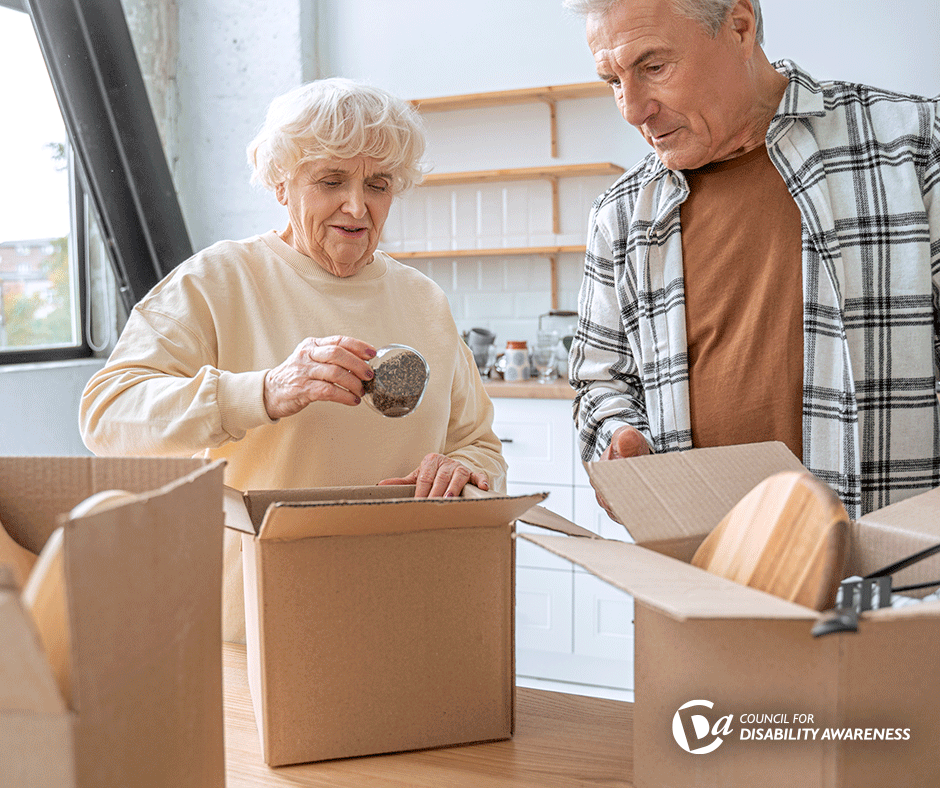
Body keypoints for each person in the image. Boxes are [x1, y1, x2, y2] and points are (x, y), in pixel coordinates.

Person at [80, 78, 507, 641]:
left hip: (405, 611)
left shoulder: (425, 300)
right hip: (258, 617)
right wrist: (263, 392)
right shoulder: (218, 281)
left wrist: (464, 470)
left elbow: (482, 447)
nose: (358, 206)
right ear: (282, 184)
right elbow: (107, 415)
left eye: (378, 185)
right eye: (331, 181)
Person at [563, 0, 940, 519]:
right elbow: (599, 382)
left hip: (893, 574)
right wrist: (620, 437)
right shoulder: (620, 215)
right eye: (612, 80)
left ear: (739, 26)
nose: (631, 109)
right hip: (703, 573)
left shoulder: (914, 146)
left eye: (653, 67)